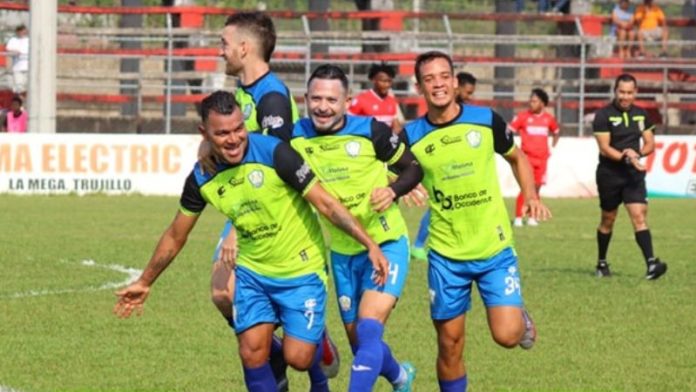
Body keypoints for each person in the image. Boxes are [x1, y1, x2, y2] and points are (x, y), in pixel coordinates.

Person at [114, 91, 389, 392]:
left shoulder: (276, 154)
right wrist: (145, 281)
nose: (233, 139)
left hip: (301, 271)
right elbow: (176, 235)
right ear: (204, 133)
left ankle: (318, 368)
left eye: (238, 129)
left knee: (297, 357)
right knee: (251, 352)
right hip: (253, 274)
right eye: (222, 133)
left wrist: (370, 244)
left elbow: (326, 203)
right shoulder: (201, 178)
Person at [402, 51, 551, 392]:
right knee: (450, 344)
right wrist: (400, 187)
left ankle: (520, 317)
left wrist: (531, 195)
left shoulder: (486, 120)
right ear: (419, 87)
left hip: (493, 247)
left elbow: (517, 156)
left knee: (508, 336)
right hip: (445, 254)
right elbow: (390, 170)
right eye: (429, 79)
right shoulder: (410, 136)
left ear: (455, 82)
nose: (438, 84)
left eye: (444, 76)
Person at [210, 11, 338, 390]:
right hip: (248, 208)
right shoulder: (243, 93)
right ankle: (280, 352)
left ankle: (311, 361)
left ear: (245, 48)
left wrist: (235, 228)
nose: (221, 52)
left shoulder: (272, 99)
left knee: (230, 291)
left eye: (224, 44)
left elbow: (273, 173)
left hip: (277, 217)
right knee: (222, 293)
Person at [291, 64, 421, 392]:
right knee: (359, 345)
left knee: (368, 330)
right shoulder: (294, 136)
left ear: (347, 101)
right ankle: (400, 377)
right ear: (305, 98)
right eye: (316, 98)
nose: (323, 106)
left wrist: (393, 190)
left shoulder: (371, 131)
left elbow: (413, 168)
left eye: (331, 100)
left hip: (386, 242)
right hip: (342, 252)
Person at [592, 73, 668, 280]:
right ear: (615, 91)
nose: (625, 96)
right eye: (621, 92)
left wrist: (639, 154)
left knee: (639, 216)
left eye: (629, 92)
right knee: (608, 220)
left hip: (633, 174)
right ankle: (601, 262)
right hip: (609, 174)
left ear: (635, 93)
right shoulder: (603, 115)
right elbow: (605, 147)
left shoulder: (642, 115)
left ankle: (651, 264)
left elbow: (650, 143)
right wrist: (626, 157)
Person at [412, 71, 478, 261]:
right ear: (457, 88)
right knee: (438, 206)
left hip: (461, 168)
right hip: (443, 167)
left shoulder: (467, 114)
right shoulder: (440, 116)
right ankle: (418, 245)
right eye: (467, 92)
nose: (469, 97)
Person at [508, 88, 560, 227]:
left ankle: (532, 217)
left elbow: (556, 132)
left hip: (542, 160)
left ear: (542, 104)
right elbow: (509, 131)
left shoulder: (548, 119)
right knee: (525, 187)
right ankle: (518, 217)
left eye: (534, 101)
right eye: (530, 101)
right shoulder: (523, 117)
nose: (531, 103)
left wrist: (553, 148)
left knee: (536, 189)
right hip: (527, 159)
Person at [348, 62, 404, 133]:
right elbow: (348, 122)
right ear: (374, 80)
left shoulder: (391, 100)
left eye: (389, 81)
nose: (386, 85)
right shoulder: (361, 99)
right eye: (383, 81)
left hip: (385, 142)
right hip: (366, 141)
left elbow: (395, 123)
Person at [5, 25, 29, 97]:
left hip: (28, 68)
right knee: (18, 86)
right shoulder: (13, 40)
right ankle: (19, 102)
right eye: (20, 31)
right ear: (17, 32)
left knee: (26, 87)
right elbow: (8, 50)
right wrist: (15, 51)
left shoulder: (29, 40)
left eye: (23, 31)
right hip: (17, 68)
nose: (22, 33)